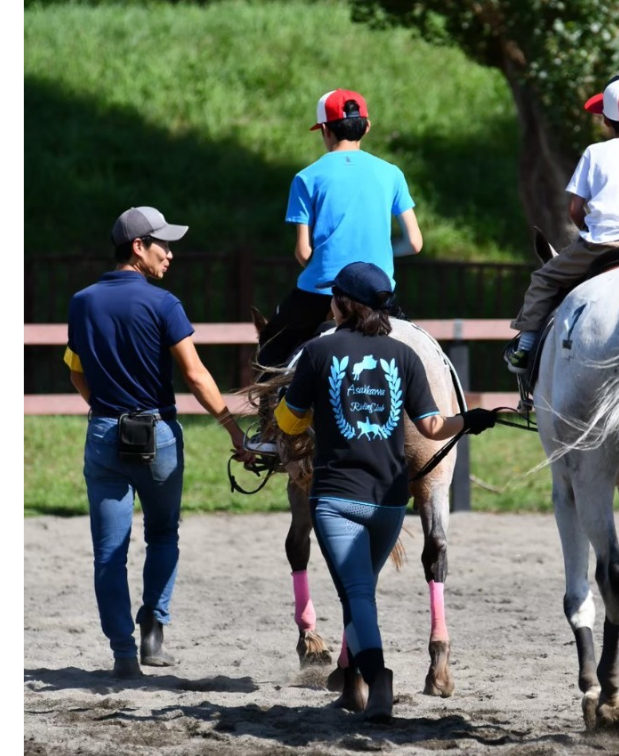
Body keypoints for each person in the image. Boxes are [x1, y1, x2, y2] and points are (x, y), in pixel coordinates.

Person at [271, 261, 499, 722]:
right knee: (360, 592)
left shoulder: (318, 352)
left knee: (357, 594)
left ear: (343, 305)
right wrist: (472, 419)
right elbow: (433, 427)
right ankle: (351, 683)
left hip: (336, 498)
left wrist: (300, 415)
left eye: (334, 297)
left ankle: (378, 679)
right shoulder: (408, 357)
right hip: (390, 503)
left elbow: (289, 423)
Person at [65, 205, 254, 679]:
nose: (169, 254)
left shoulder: (82, 302)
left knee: (109, 552)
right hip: (158, 438)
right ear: (138, 247)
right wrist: (233, 429)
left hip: (106, 434)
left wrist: (100, 405)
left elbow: (74, 368)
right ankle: (153, 625)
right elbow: (194, 374)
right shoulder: (164, 304)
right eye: (162, 244)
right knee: (163, 534)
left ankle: (123, 654)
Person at [248, 89, 423, 456]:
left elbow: (303, 251)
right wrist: (376, 257)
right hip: (378, 291)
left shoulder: (307, 177)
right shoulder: (391, 173)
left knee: (272, 348)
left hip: (322, 292)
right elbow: (415, 242)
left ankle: (268, 433)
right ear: (367, 127)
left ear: (325, 131)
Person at [504, 72, 619, 372]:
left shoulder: (594, 153)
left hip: (601, 245)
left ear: (605, 120)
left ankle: (524, 349)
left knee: (545, 279)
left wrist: (588, 227)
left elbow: (575, 209)